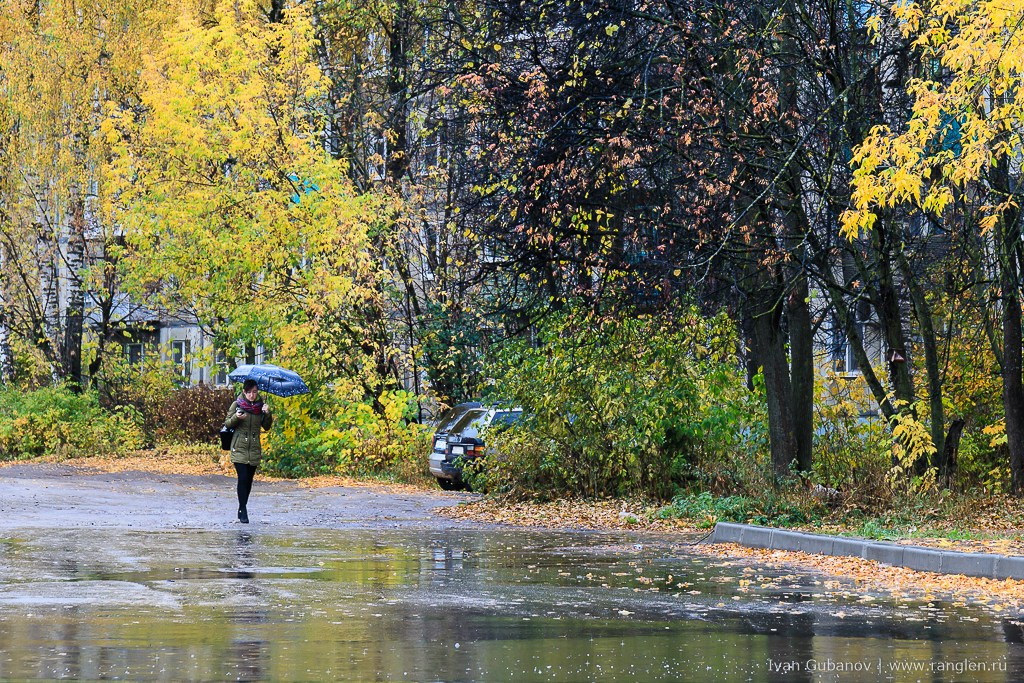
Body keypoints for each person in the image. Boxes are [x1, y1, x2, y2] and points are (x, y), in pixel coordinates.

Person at [224, 379, 272, 523]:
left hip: (254, 448)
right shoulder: (237, 404)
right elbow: (227, 423)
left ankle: (242, 506)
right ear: (244, 392)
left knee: (249, 480)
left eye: (255, 392)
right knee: (243, 477)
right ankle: (243, 509)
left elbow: (266, 426)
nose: (252, 395)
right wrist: (236, 417)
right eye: (249, 392)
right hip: (239, 447)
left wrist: (267, 413)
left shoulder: (261, 407)